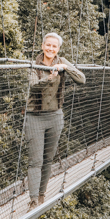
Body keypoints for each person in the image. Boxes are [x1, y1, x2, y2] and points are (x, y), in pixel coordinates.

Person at [26, 32, 86, 209]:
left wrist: (65, 67)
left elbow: (82, 79)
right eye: (48, 45)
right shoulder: (33, 64)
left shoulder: (62, 61)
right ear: (43, 46)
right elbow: (33, 86)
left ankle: (42, 195)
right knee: (35, 161)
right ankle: (33, 200)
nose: (51, 49)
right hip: (35, 117)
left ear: (58, 49)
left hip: (55, 117)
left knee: (48, 158)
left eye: (54, 46)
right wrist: (50, 77)